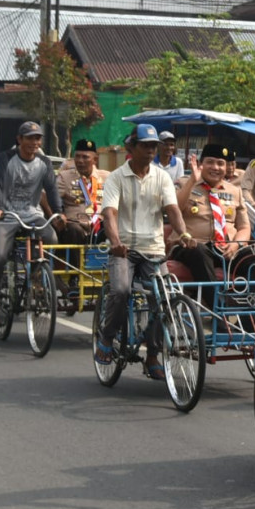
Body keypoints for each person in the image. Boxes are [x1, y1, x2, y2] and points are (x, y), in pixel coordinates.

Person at [96, 123, 194, 379]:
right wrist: (115, 242)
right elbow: (110, 214)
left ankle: (152, 356)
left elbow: (173, 209)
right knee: (120, 290)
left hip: (153, 249)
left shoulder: (161, 177)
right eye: (146, 145)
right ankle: (106, 338)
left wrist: (182, 233)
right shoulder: (116, 177)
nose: (151, 150)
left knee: (163, 300)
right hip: (124, 250)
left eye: (154, 146)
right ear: (131, 147)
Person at [0, 122, 64, 325]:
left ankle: (38, 279)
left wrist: (58, 213)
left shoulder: (44, 162)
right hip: (9, 215)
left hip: (33, 214)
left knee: (52, 238)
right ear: (19, 140)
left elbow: (52, 190)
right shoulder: (6, 158)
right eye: (29, 138)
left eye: (37, 138)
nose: (34, 142)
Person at [171, 143, 251, 284]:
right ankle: (215, 303)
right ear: (200, 164)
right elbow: (174, 209)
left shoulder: (235, 191)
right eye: (210, 162)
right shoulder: (184, 184)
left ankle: (254, 304)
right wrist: (192, 181)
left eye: (220, 163)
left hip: (225, 249)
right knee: (199, 250)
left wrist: (236, 244)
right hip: (191, 246)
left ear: (226, 167)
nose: (215, 167)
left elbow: (244, 227)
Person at [51, 138, 109, 245]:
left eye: (85, 157)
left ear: (95, 160)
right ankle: (76, 263)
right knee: (74, 230)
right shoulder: (65, 177)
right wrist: (59, 214)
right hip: (75, 224)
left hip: (100, 224)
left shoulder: (107, 177)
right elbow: (51, 197)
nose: (80, 161)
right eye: (77, 156)